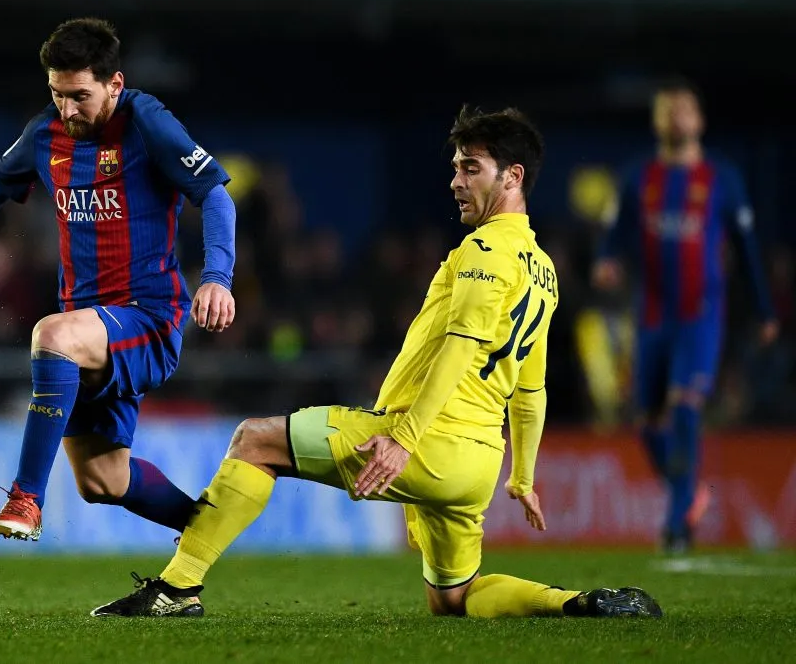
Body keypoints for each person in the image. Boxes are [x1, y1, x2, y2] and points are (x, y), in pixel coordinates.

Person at [92, 106, 662, 619]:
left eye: (472, 169)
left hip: (428, 440)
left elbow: (460, 348)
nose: (455, 181)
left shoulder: (485, 252)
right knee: (454, 600)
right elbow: (530, 388)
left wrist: (405, 438)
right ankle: (577, 602)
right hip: (478, 466)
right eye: (457, 168)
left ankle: (177, 588)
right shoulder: (543, 268)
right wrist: (524, 475)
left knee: (254, 440)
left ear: (512, 177)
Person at [0, 17, 237, 541]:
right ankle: (208, 529)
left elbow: (215, 193)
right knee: (102, 480)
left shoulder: (145, 121)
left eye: (80, 96)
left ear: (115, 83)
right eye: (57, 94)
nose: (68, 109)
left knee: (53, 335)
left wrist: (218, 277)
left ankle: (26, 500)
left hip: (148, 318)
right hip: (92, 330)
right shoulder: (46, 132)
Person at [592, 78, 778, 553]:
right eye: (667, 109)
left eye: (684, 109)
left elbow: (746, 247)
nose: (676, 117)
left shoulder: (722, 179)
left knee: (685, 406)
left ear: (699, 119)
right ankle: (688, 494)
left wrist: (763, 308)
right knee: (646, 423)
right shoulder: (638, 178)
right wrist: (608, 261)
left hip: (701, 315)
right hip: (652, 316)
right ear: (657, 120)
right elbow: (613, 235)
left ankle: (676, 527)